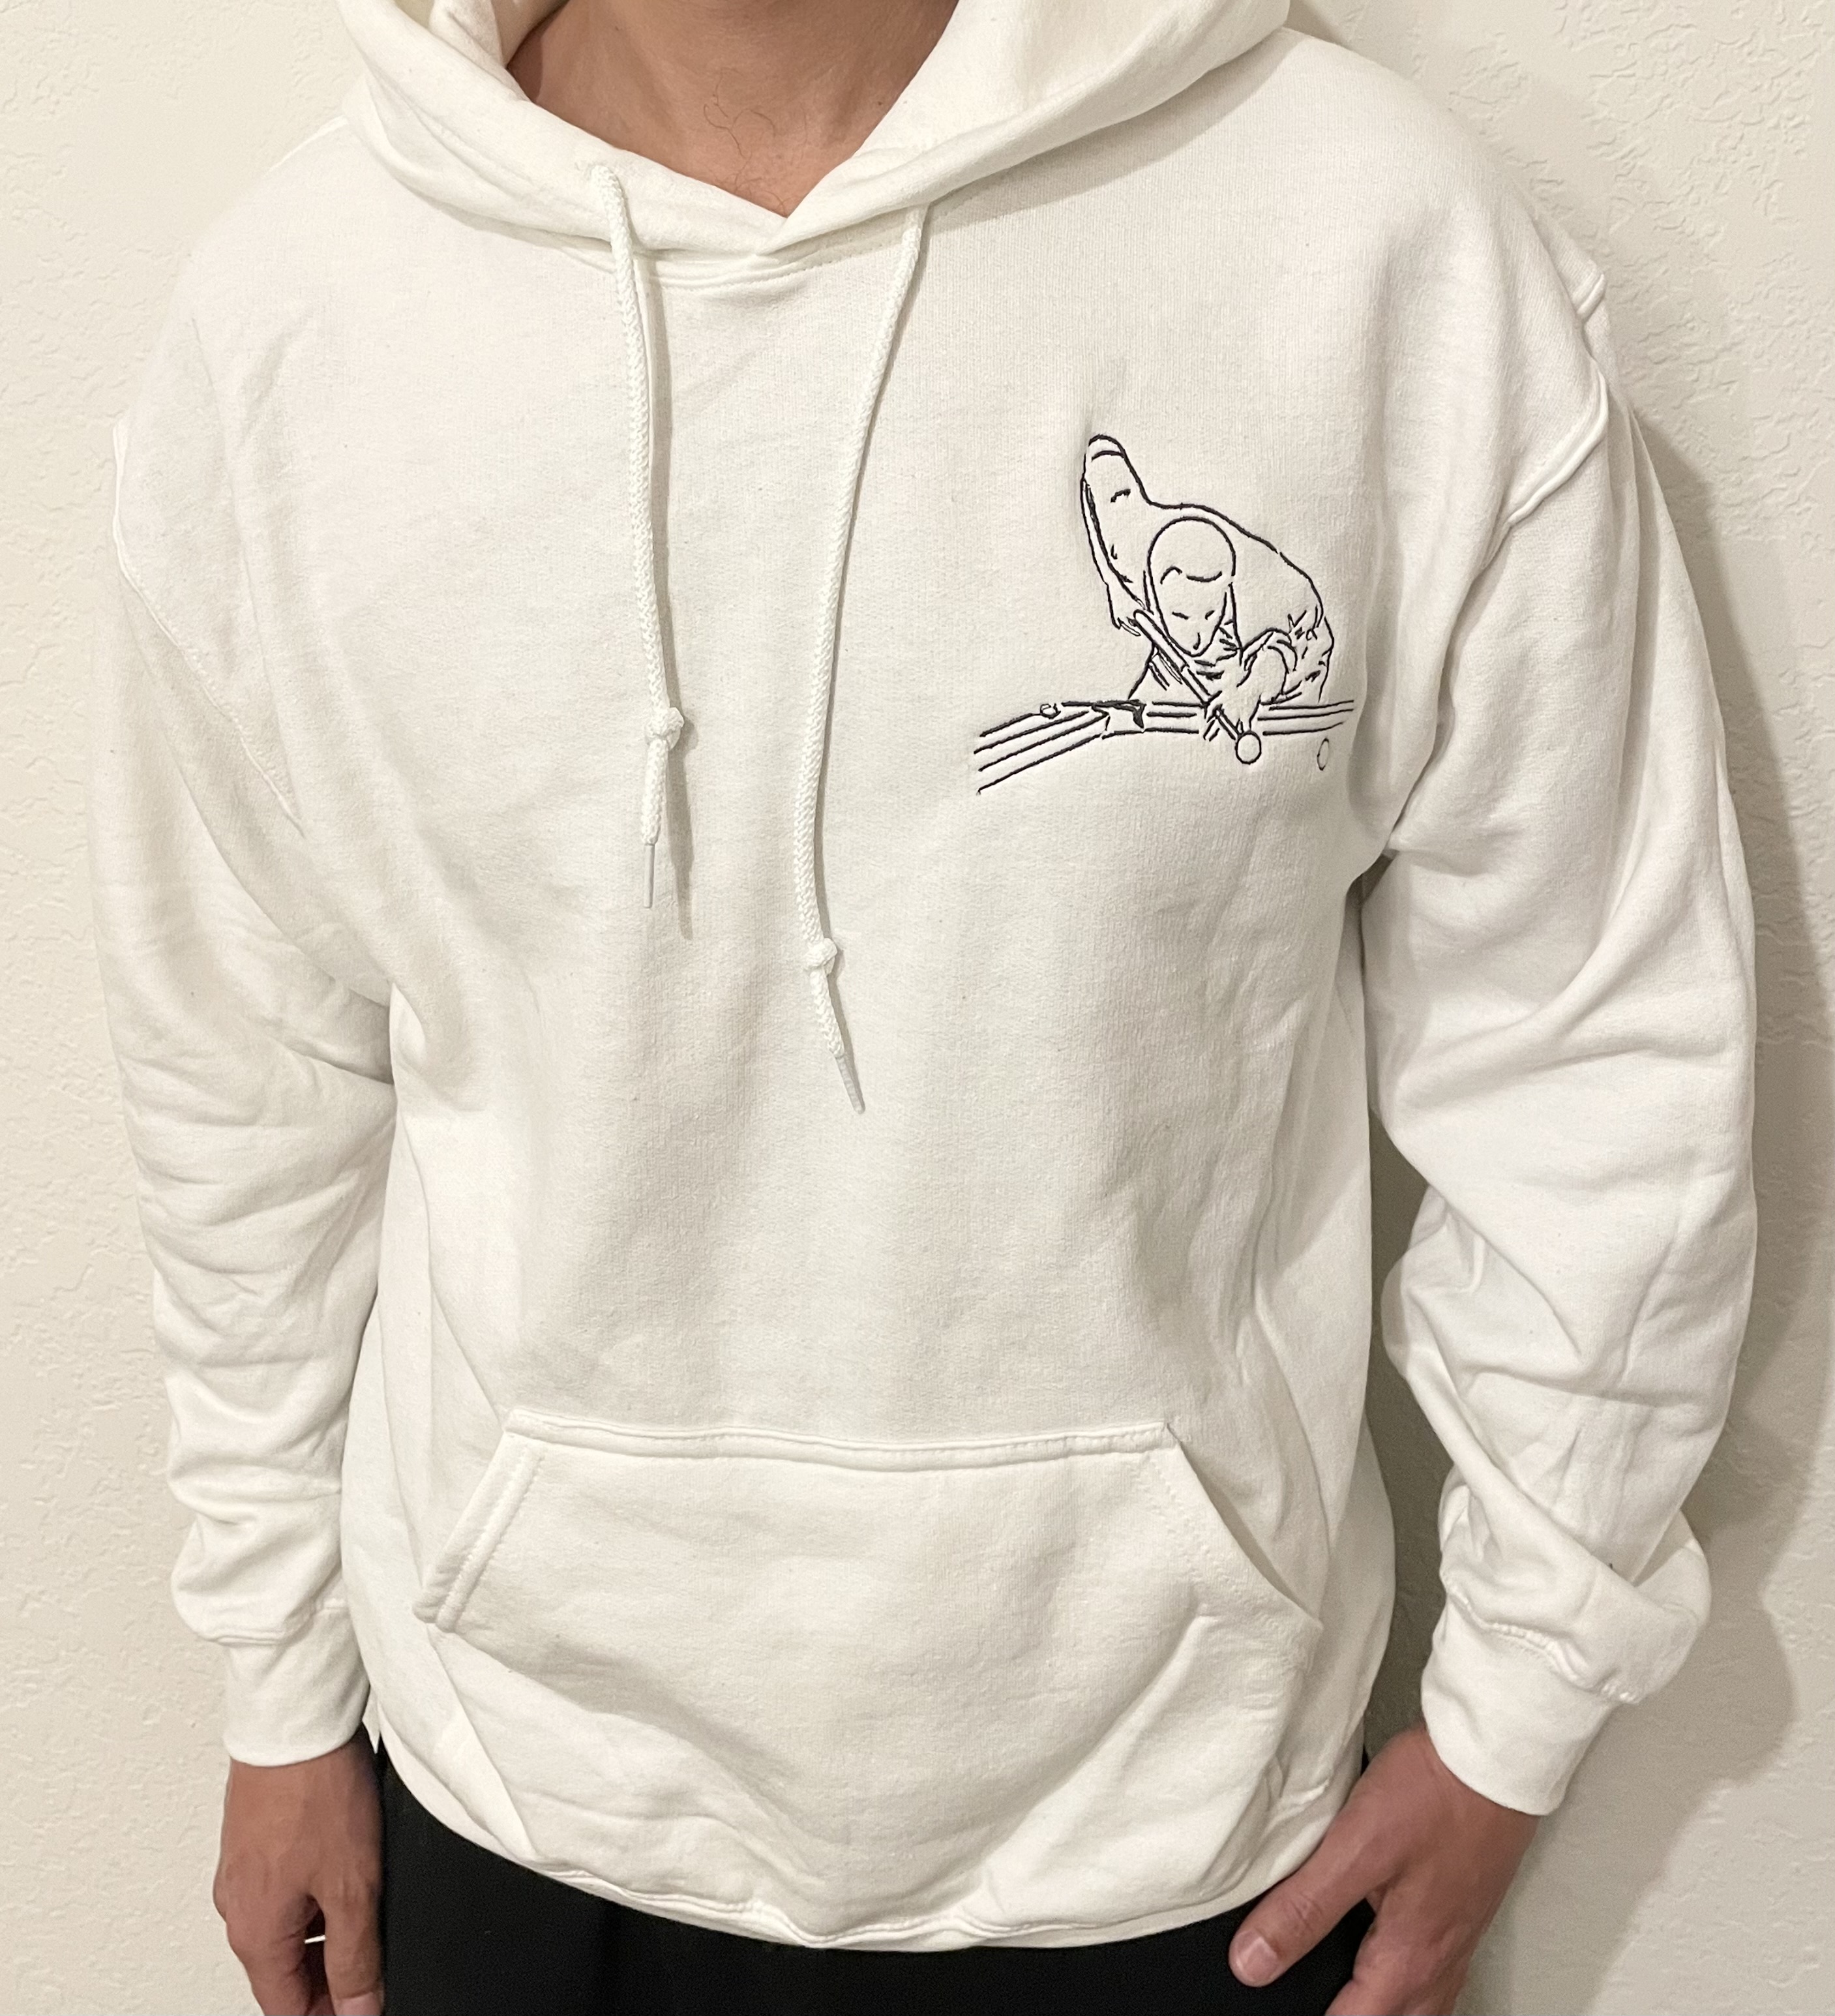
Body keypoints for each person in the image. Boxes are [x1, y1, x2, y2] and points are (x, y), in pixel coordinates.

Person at [83, 0, 1757, 2010]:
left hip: (1174, 1824)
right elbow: (246, 1074)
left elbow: (1594, 1040)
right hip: (513, 1787)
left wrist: (1523, 1696)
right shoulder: (302, 323)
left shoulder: (1380, 252)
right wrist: (277, 1672)